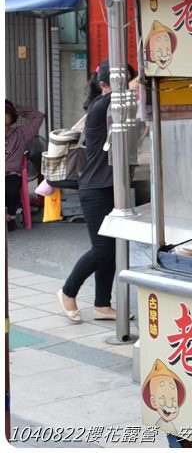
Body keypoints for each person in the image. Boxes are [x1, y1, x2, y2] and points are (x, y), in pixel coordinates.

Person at [57, 60, 137, 322]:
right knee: (102, 250)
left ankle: (102, 304)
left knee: (112, 250)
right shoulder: (99, 107)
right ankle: (67, 291)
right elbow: (121, 95)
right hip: (94, 189)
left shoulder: (118, 109)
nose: (125, 87)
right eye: (119, 81)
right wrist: (142, 79)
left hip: (114, 187)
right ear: (103, 84)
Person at [5, 99, 45, 230]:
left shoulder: (21, 134)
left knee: (9, 189)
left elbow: (38, 116)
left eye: (5, 112)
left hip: (11, 174)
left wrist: (17, 108)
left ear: (12, 116)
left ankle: (9, 220)